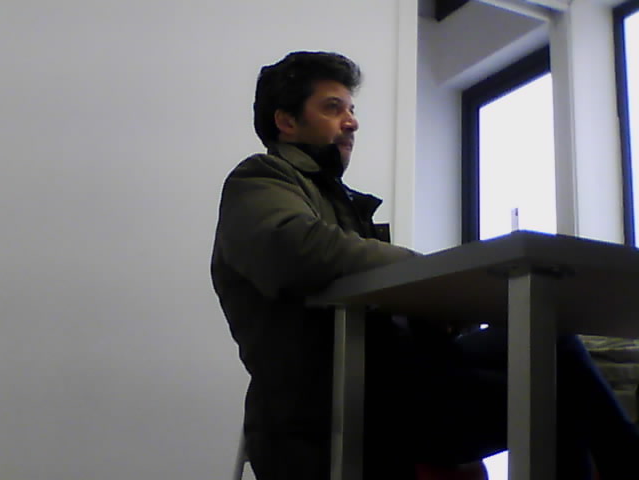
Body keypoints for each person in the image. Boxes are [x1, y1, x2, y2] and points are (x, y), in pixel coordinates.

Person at [211, 51, 639, 480]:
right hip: (337, 395)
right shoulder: (259, 179)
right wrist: (421, 274)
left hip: (395, 376)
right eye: (333, 108)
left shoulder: (338, 201)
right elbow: (294, 248)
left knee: (550, 340)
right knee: (558, 392)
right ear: (286, 122)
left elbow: (360, 281)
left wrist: (434, 310)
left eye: (351, 109)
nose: (352, 122)